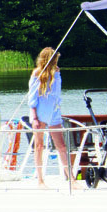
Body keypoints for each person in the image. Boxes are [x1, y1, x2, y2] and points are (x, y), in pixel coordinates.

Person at [27, 46, 73, 186]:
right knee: (39, 145)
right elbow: (32, 97)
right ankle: (40, 179)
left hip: (53, 112)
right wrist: (34, 118)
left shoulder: (57, 72)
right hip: (40, 112)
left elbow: (57, 93)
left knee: (61, 146)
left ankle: (71, 178)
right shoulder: (37, 73)